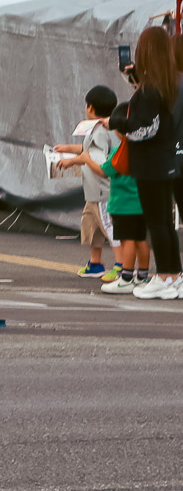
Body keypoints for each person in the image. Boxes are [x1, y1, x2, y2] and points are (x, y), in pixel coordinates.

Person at [107, 27, 182, 299]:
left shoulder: (150, 90)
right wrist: (132, 76)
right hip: (165, 162)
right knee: (164, 222)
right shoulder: (166, 84)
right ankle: (174, 276)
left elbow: (144, 129)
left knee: (156, 222)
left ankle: (163, 277)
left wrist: (115, 122)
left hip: (150, 164)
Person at [52, 85, 122, 278]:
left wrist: (74, 160)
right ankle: (95, 263)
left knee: (108, 226)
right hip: (94, 192)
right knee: (92, 226)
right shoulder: (108, 127)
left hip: (102, 190)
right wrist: (66, 148)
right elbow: (87, 148)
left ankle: (121, 265)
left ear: (90, 108)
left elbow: (96, 160)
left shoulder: (99, 131)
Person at [99, 101, 150, 295]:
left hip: (124, 205)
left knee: (128, 240)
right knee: (141, 240)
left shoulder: (120, 152)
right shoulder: (145, 149)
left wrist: (84, 159)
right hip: (142, 204)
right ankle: (142, 276)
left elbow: (104, 171)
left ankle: (126, 277)